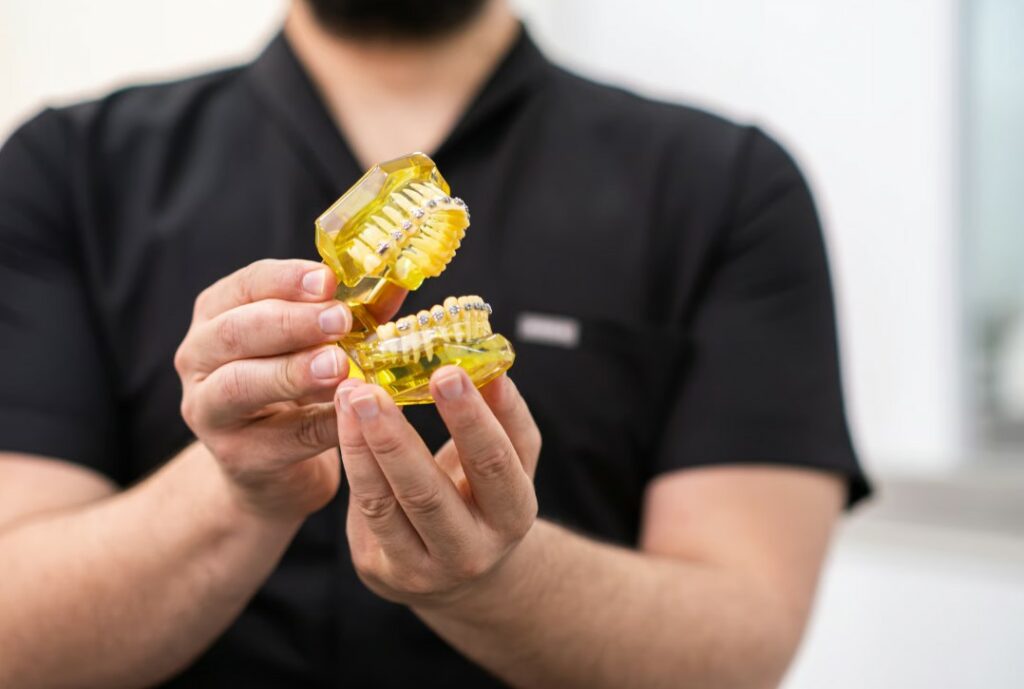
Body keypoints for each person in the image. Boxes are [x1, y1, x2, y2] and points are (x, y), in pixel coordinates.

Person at [0, 0, 870, 687]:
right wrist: (239, 492)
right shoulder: (64, 172)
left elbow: (743, 639)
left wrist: (498, 582)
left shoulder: (729, 189)